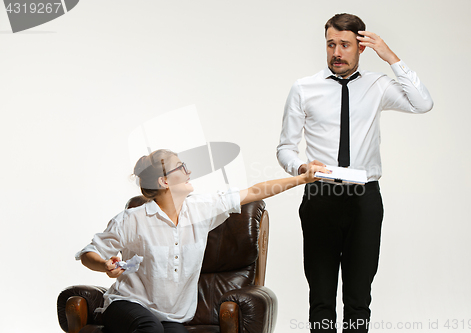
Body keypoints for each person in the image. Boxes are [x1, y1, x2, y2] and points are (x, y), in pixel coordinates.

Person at [276, 13, 433, 332]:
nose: (336, 52)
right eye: (331, 44)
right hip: (321, 195)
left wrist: (391, 57)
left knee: (359, 297)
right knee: (320, 296)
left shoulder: (378, 86)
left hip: (365, 200)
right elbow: (285, 148)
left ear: (361, 47)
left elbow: (422, 103)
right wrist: (302, 167)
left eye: (345, 45)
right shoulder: (305, 88)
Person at [76, 149, 328, 333]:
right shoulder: (132, 219)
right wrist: (104, 265)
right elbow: (90, 252)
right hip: (128, 305)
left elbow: (254, 191)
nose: (189, 171)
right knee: (148, 328)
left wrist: (302, 179)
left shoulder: (201, 209)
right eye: (180, 167)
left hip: (173, 316)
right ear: (164, 181)